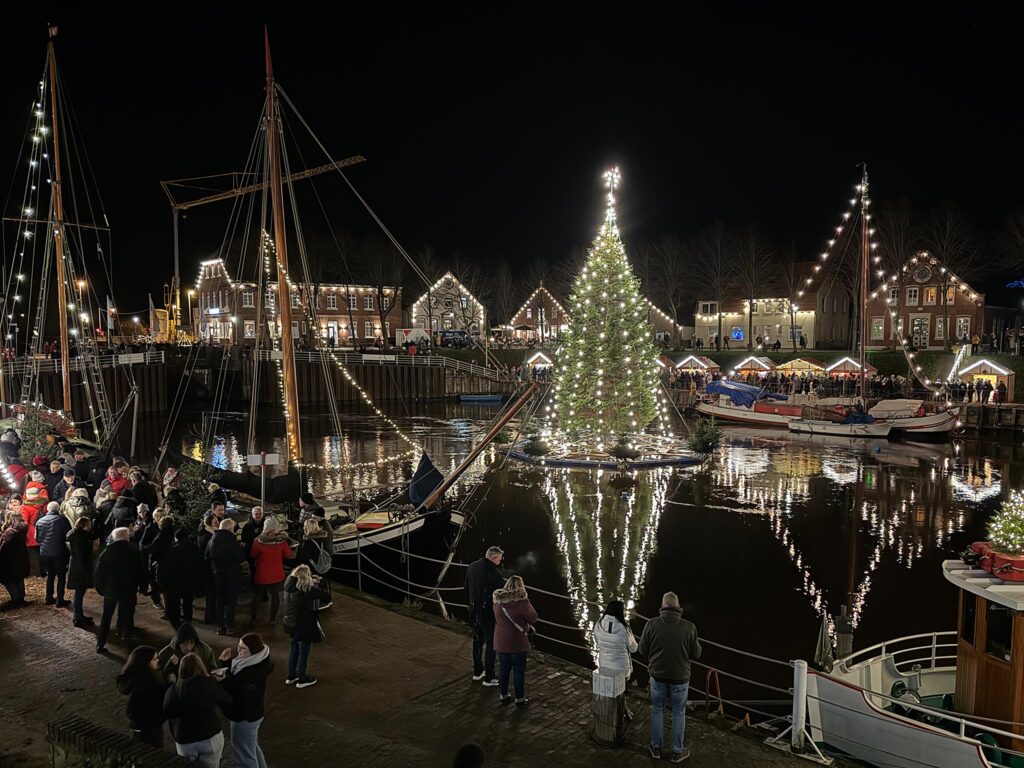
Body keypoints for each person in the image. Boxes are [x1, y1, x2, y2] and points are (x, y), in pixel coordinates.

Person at [638, 591, 702, 762]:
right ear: (678, 607)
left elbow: (642, 650)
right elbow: (696, 653)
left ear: (662, 606)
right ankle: (676, 752)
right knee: (679, 713)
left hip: (657, 676)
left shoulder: (651, 624)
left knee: (657, 710)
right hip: (680, 678)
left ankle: (656, 748)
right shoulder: (689, 627)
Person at [163, 653, 232, 768]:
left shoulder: (173, 690)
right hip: (209, 736)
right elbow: (227, 702)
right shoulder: (209, 684)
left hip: (185, 739)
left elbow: (167, 713)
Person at [218, 633, 273, 768]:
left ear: (253, 651)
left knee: (244, 756)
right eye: (239, 647)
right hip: (254, 715)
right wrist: (227, 663)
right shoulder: (259, 661)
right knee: (251, 748)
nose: (238, 651)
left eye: (243, 649)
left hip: (244, 717)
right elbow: (238, 677)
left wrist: (223, 680)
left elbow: (237, 691)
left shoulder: (250, 675)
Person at [94, 526, 144, 652]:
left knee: (106, 616)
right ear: (127, 537)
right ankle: (125, 637)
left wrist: (101, 588)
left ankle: (100, 643)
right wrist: (141, 585)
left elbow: (99, 573)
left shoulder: (107, 552)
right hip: (129, 589)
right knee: (126, 614)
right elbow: (141, 571)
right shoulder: (134, 551)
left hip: (111, 590)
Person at [492, 575, 538, 707]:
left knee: (503, 668)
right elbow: (533, 618)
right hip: (517, 641)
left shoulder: (497, 601)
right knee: (518, 671)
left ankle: (503, 695)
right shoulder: (523, 602)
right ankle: (519, 698)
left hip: (501, 640)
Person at [282, 564, 330, 688]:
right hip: (304, 623)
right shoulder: (306, 589)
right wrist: (320, 582)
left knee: (294, 648)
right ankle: (302, 679)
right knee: (304, 650)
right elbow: (325, 595)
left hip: (290, 622)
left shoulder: (289, 584)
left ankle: (291, 676)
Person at [464, 545, 505, 686]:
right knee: (491, 644)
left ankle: (477, 671)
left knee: (477, 641)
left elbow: (466, 588)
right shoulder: (492, 571)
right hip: (488, 613)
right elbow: (500, 591)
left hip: (474, 610)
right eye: (499, 559)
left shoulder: (472, 566)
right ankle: (489, 676)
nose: (500, 562)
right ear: (493, 558)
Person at [117, 645, 169, 748]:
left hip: (137, 727)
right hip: (151, 728)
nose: (158, 661)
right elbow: (158, 706)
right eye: (154, 659)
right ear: (145, 663)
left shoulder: (131, 678)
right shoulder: (149, 684)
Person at [593, 599, 639, 712]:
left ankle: (613, 708)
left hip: (604, 664)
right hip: (621, 669)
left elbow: (598, 642)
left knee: (611, 688)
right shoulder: (624, 629)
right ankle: (622, 709)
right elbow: (633, 649)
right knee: (621, 688)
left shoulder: (598, 624)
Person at [250, 516, 292, 627]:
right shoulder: (281, 541)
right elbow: (288, 554)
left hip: (262, 573)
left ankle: (253, 618)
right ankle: (272, 619)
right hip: (277, 573)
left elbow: (253, 555)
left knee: (257, 596)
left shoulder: (258, 541)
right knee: (275, 597)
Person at [207, 518, 244, 635]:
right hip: (231, 575)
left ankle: (220, 626)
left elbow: (207, 556)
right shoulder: (232, 540)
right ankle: (230, 625)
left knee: (220, 601)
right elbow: (238, 558)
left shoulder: (212, 539)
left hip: (217, 575)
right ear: (230, 528)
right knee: (231, 601)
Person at [161, 528, 205, 628]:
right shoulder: (194, 547)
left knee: (177, 600)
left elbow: (171, 566)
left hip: (178, 579)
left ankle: (178, 619)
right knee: (188, 600)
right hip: (191, 578)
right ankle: (187, 618)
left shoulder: (174, 549)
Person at [35, 500, 72, 607]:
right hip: (59, 552)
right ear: (58, 509)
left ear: (47, 509)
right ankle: (60, 600)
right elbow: (68, 535)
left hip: (45, 552)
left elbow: (37, 538)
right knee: (61, 576)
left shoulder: (40, 521)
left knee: (50, 575)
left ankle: (48, 598)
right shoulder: (62, 520)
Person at [297, 518, 333, 608]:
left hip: (312, 568)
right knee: (323, 582)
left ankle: (317, 603)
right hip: (322, 565)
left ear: (307, 528)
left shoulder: (307, 543)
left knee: (314, 585)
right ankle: (326, 599)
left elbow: (302, 559)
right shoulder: (322, 539)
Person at [66, 516, 95, 627]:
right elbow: (81, 557)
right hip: (80, 569)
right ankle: (78, 617)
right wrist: (87, 575)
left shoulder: (75, 536)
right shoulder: (80, 538)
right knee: (79, 593)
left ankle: (78, 615)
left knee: (79, 593)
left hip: (77, 567)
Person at [0, 509, 30, 610]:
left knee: (9, 580)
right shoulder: (21, 529)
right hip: (20, 559)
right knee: (18, 578)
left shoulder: (10, 532)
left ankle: (16, 599)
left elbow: (4, 548)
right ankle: (21, 597)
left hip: (9, 561)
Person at [21, 481, 48, 576]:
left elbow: (25, 522)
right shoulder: (43, 503)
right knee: (42, 551)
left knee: (33, 553)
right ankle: (44, 570)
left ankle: (37, 572)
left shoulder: (25, 507)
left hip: (31, 531)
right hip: (43, 529)